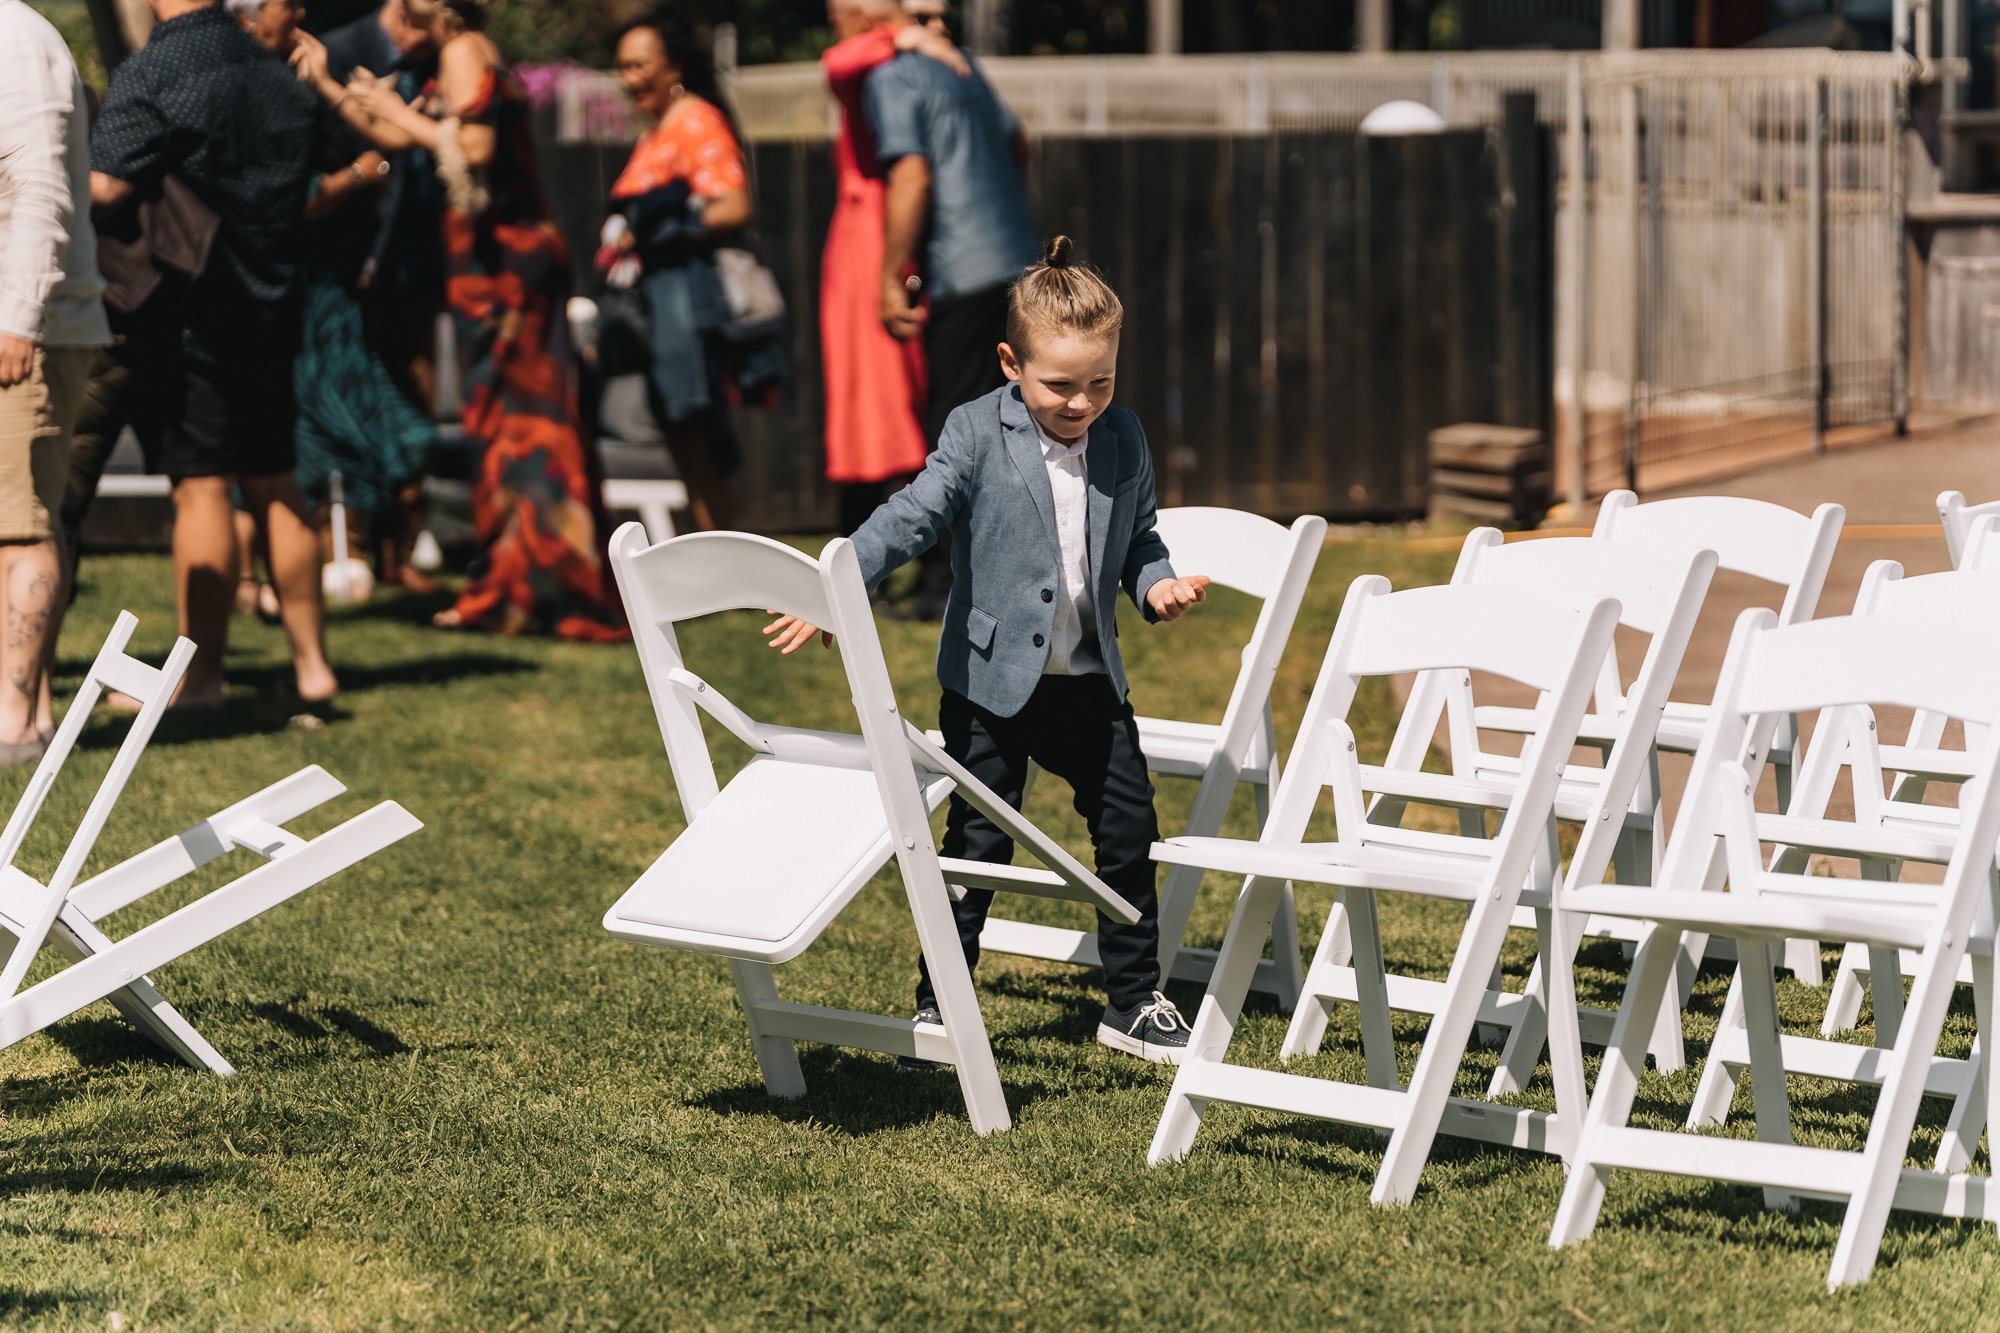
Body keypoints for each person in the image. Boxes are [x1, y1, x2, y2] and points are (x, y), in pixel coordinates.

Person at [764, 238, 1211, 1064]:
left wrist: (1156, 586)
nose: (1083, 403)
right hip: (989, 685)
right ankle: (942, 1002)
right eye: (1060, 385)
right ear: (1012, 362)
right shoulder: (975, 431)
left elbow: (1140, 537)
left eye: (1101, 382)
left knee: (1127, 823)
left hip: (1086, 681)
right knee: (975, 843)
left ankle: (1132, 998)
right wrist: (837, 581)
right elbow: (911, 517)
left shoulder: (1124, 440)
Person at [293, 0, 625, 639]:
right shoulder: (464, 53)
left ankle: (532, 585)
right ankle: (528, 579)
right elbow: (405, 140)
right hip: (494, 260)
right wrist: (334, 89)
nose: (396, 20)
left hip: (505, 259)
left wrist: (389, 108)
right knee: (507, 421)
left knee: (521, 426)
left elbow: (471, 146)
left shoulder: (462, 48)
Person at [90, 0, 339, 709]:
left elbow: (105, 183)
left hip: (192, 314)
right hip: (275, 304)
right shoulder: (278, 72)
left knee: (200, 486)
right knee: (275, 482)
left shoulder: (160, 66)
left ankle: (199, 678)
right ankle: (314, 666)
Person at [864, 13, 1037, 614]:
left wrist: (890, 275)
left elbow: (910, 174)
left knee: (958, 432)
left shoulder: (896, 76)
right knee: (1016, 431)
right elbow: (1019, 144)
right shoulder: (968, 67)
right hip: (1018, 259)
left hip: (963, 267)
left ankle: (944, 585)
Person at [0, 0, 113, 761]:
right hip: (22, 323)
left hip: (26, 330)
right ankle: (31, 716)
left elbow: (43, 189)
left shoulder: (12, 39)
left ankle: (9, 725)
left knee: (19, 524)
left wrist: (17, 317)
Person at [601, 11, 752, 534]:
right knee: (682, 434)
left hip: (687, 297)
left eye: (640, 64)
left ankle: (726, 563)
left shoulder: (694, 120)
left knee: (699, 431)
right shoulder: (659, 129)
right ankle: (711, 559)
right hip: (658, 300)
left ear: (675, 66)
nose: (629, 77)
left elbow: (732, 204)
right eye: (621, 66)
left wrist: (657, 229)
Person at [818, 0, 964, 537]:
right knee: (872, 385)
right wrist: (900, 36)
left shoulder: (910, 63)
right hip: (870, 239)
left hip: (901, 233)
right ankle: (868, 540)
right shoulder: (876, 59)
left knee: (903, 383)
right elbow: (835, 65)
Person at [318, 0, 446, 593]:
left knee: (415, 402)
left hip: (416, 269)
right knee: (354, 403)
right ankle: (351, 543)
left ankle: (403, 546)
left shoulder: (443, 58)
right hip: (350, 268)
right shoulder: (342, 53)